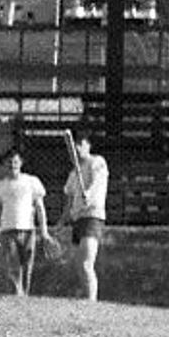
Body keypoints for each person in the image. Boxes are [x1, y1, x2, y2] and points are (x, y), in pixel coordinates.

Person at [0, 146, 48, 296]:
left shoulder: (32, 182)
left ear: (21, 163)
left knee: (27, 267)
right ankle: (17, 294)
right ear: (5, 164)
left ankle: (24, 296)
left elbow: (40, 208)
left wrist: (44, 232)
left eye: (15, 161)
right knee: (13, 266)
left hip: (28, 230)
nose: (13, 165)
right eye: (10, 162)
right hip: (8, 231)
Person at [56, 127, 111, 302]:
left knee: (87, 263)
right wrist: (61, 222)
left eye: (80, 144)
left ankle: (92, 301)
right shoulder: (73, 173)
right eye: (75, 145)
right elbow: (69, 201)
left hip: (92, 216)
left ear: (88, 145)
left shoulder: (97, 162)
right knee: (80, 265)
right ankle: (88, 299)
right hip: (77, 219)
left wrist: (89, 192)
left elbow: (98, 183)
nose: (77, 148)